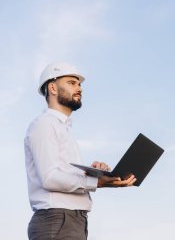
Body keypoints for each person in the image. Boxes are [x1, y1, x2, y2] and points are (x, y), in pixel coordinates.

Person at [24, 61, 137, 240]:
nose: (79, 88)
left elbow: (62, 173)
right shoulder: (44, 124)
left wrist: (94, 172)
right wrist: (96, 182)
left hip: (71, 221)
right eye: (71, 83)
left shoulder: (63, 129)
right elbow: (50, 177)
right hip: (58, 220)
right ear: (52, 88)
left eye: (80, 84)